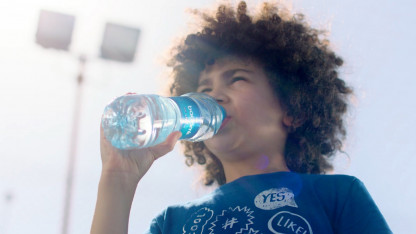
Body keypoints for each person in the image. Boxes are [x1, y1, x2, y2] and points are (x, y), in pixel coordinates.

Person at [91, 1, 392, 233]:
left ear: (293, 110)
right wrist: (118, 179)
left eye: (236, 79)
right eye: (203, 88)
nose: (213, 96)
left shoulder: (337, 195)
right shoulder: (173, 222)